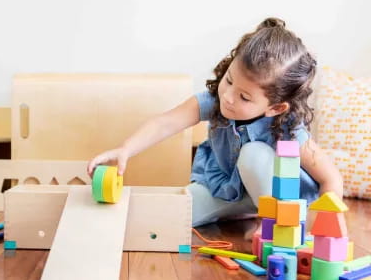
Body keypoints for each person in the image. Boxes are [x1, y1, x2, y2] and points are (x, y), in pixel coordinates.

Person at [87, 17, 343, 228]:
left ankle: (273, 225)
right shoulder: (215, 101)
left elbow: (331, 178)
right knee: (176, 215)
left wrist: (325, 222)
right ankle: (244, 213)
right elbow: (166, 123)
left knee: (252, 154)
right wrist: (126, 149)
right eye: (229, 80)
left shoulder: (288, 129)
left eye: (244, 97)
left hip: (282, 204)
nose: (228, 98)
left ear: (275, 107)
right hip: (231, 189)